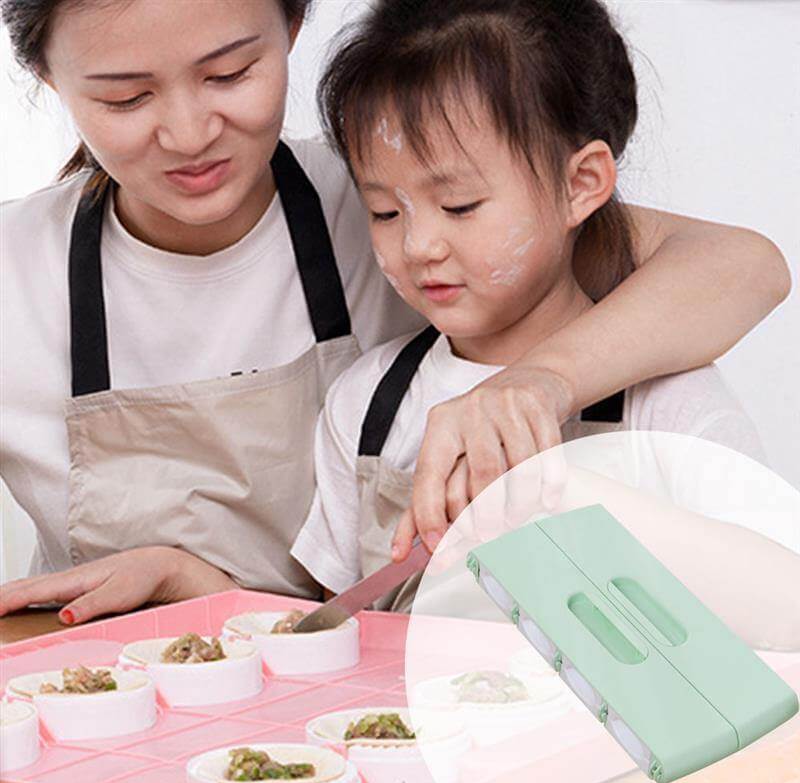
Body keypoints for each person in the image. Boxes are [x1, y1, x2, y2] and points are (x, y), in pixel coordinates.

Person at [0, 0, 789, 626]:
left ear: (292, 29)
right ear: (45, 77)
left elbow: (740, 264)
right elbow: (334, 627)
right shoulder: (19, 270)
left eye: (230, 73)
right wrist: (191, 584)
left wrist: (538, 383)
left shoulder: (389, 174)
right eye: (126, 96)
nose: (189, 133)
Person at [290, 0, 794, 619]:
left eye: (460, 205)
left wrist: (586, 501)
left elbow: (783, 602)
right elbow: (338, 627)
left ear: (580, 184)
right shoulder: (365, 402)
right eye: (385, 212)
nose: (419, 245)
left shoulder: (664, 399)